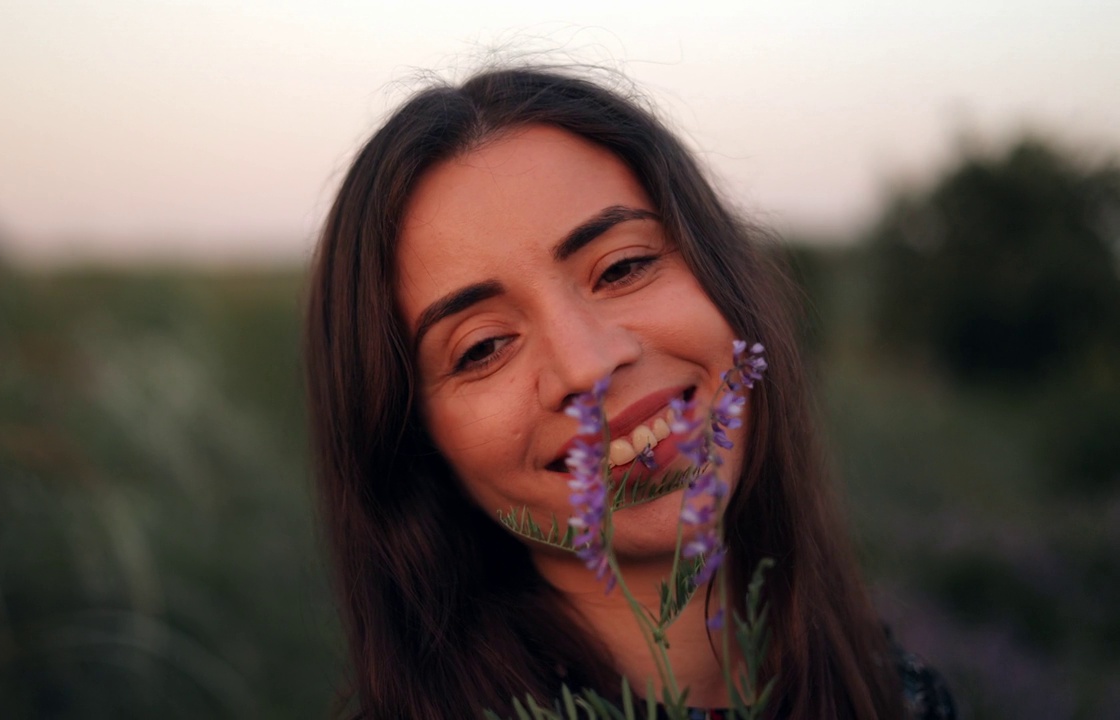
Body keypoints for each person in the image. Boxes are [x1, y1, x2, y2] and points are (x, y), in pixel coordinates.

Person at [304, 65, 954, 720]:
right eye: (483, 347)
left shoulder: (899, 696)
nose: (586, 367)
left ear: (722, 276)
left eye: (623, 267)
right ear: (413, 442)